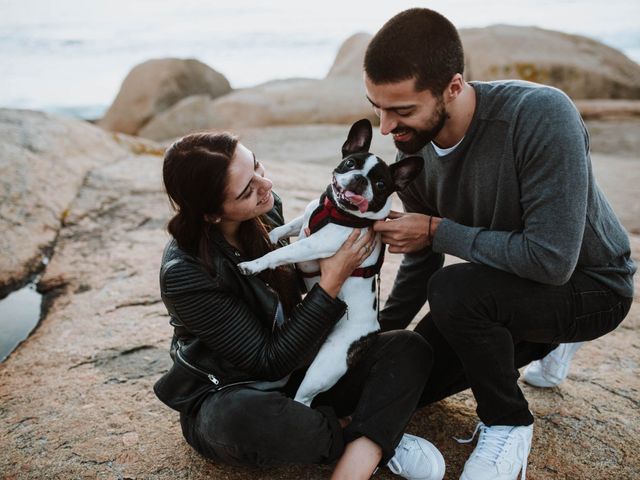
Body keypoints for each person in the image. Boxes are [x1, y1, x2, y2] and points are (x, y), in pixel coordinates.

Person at [364, 8, 636, 480]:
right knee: (401, 375)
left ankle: (508, 422)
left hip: (589, 284)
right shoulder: (414, 148)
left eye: (402, 110)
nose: (386, 127)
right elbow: (420, 264)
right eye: (377, 108)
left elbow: (551, 262)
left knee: (456, 290)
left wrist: (434, 229)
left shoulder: (541, 115)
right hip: (500, 287)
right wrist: (379, 340)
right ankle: (539, 341)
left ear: (453, 86)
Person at [153, 131, 447, 480]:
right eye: (248, 189)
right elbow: (268, 361)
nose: (266, 184)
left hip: (304, 364)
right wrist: (332, 279)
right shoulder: (185, 273)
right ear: (212, 214)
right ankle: (368, 440)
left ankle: (358, 437)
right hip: (239, 390)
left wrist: (367, 225)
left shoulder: (266, 210)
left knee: (408, 347)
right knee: (235, 420)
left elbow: (297, 282)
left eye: (258, 166)